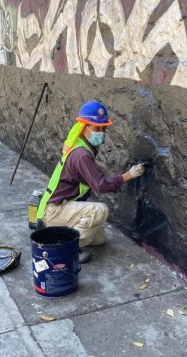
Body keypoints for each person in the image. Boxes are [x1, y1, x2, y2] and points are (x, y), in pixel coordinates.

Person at [36, 101, 146, 263]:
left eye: (103, 128)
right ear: (84, 127)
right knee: (99, 210)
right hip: (54, 211)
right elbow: (100, 185)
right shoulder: (81, 154)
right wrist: (130, 174)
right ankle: (65, 249)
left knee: (99, 239)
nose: (101, 132)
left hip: (60, 206)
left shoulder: (82, 146)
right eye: (96, 128)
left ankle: (60, 232)